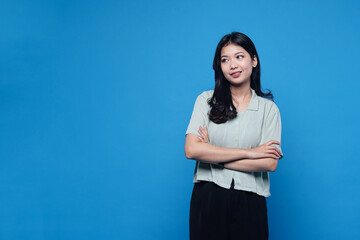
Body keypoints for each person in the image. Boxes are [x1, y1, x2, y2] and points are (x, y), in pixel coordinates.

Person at [184, 32, 283, 240]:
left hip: (250, 200)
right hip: (208, 196)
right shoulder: (205, 100)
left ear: (254, 60)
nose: (232, 65)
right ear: (219, 66)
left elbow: (269, 163)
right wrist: (251, 153)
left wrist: (214, 156)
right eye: (225, 60)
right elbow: (192, 149)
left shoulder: (269, 109)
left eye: (239, 57)